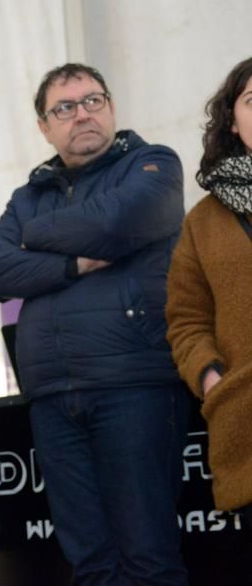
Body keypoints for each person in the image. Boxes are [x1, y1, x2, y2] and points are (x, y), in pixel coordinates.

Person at [0, 63, 189, 585]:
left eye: (93, 100)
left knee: (147, 555)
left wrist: (36, 238)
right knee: (90, 562)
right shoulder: (29, 195)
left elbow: (124, 219)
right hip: (52, 396)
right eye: (65, 108)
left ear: (112, 107)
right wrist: (72, 263)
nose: (83, 114)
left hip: (134, 383)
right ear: (45, 127)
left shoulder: (153, 165)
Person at [166, 56, 252, 516]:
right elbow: (186, 320)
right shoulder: (203, 221)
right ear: (233, 123)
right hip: (246, 425)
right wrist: (212, 378)